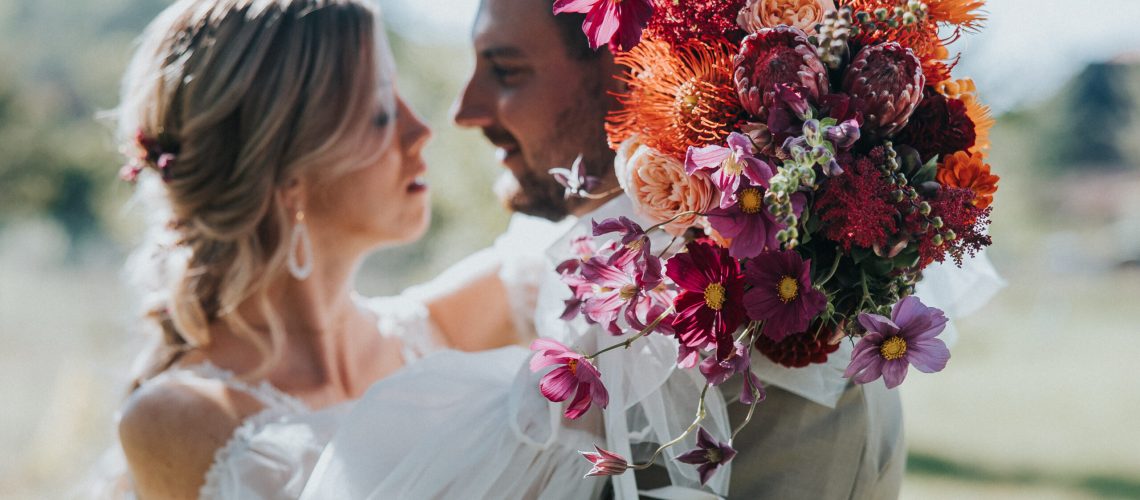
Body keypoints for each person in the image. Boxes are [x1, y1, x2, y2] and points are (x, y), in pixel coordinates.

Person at [97, 0, 476, 497]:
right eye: (382, 112)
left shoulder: (439, 327)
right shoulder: (183, 419)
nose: (421, 131)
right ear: (288, 173)